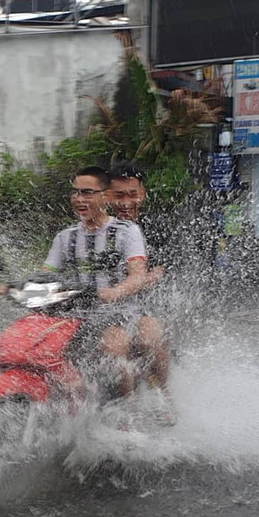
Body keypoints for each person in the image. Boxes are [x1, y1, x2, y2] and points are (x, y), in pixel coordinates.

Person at [43, 166, 151, 394]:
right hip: (73, 315)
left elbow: (137, 275)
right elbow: (46, 275)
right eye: (75, 193)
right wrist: (17, 287)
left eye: (88, 193)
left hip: (118, 314)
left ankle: (125, 408)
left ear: (106, 196)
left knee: (114, 347)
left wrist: (114, 292)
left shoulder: (127, 230)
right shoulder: (64, 237)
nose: (79, 199)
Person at [105, 162, 171, 395]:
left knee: (148, 339)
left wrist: (135, 283)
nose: (125, 203)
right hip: (104, 307)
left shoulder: (159, 227)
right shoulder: (99, 230)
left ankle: (163, 395)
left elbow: (162, 270)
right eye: (118, 195)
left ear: (142, 194)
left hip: (150, 305)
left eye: (132, 194)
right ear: (106, 196)